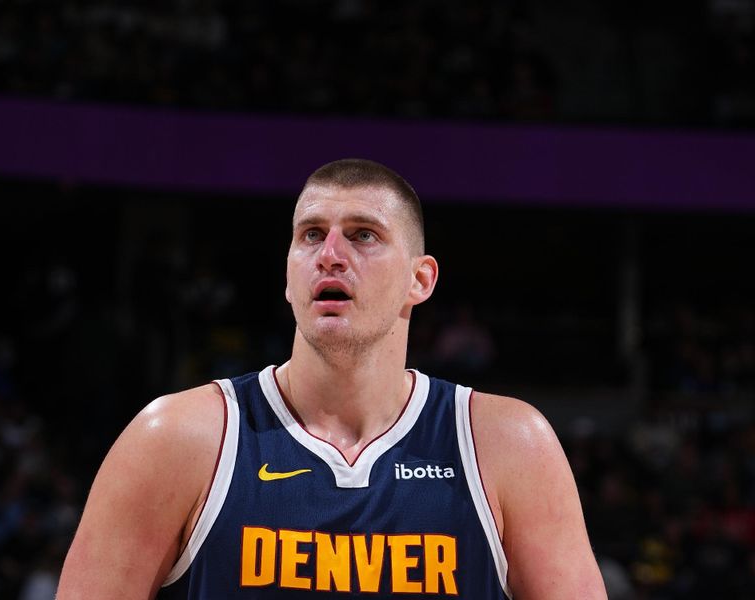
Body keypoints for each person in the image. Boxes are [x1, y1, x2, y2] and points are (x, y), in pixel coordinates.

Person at [57, 159, 607, 599]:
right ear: (289, 274)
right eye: (311, 235)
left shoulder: (508, 444)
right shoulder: (177, 438)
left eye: (363, 235)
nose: (331, 255)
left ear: (420, 279)